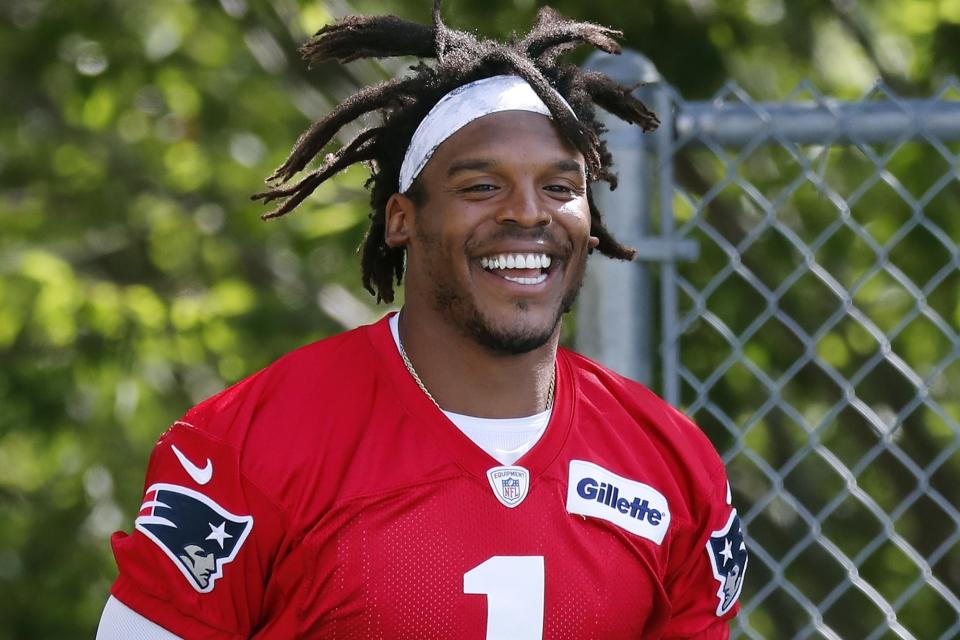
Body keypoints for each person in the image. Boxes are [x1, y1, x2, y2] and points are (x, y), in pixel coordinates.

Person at [97, 3, 747, 638]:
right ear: (402, 219)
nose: (529, 214)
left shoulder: (672, 465)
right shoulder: (245, 447)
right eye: (481, 187)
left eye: (559, 187)